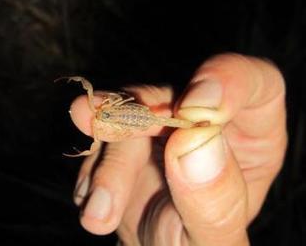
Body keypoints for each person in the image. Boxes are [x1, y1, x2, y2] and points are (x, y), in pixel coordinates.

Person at [69, 53, 287, 246]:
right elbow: (118, 115)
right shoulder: (105, 115)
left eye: (100, 112)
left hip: (140, 117)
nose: (99, 113)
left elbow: (120, 105)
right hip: (138, 119)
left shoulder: (104, 113)